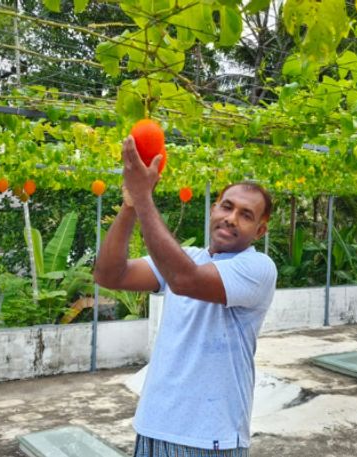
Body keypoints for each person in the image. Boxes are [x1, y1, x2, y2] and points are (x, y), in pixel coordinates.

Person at [94, 136, 277, 457]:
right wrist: (130, 204)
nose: (231, 218)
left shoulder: (257, 267)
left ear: (260, 231)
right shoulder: (189, 256)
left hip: (209, 437)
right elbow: (111, 275)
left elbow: (184, 279)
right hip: (153, 424)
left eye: (246, 215)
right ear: (213, 209)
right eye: (227, 206)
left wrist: (144, 196)